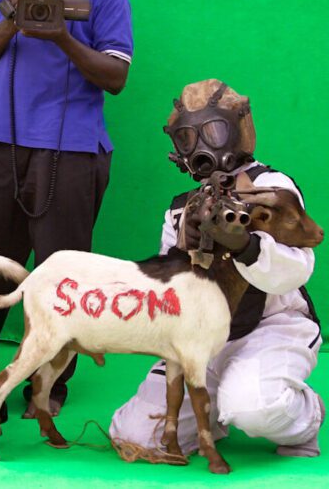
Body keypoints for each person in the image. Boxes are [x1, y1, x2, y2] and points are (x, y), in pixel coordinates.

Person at [0, 0, 133, 417]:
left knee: (61, 273)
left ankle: (49, 385)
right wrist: (16, 15)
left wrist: (61, 34)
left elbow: (116, 77)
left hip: (73, 152)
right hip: (3, 144)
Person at [109, 79, 323, 458]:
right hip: (203, 339)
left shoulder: (271, 187)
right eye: (187, 138)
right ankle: (214, 415)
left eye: (213, 131)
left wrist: (246, 245)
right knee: (136, 435)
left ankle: (304, 417)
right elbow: (167, 295)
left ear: (238, 128)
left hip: (269, 328)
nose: (201, 147)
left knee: (255, 407)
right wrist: (182, 249)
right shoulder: (180, 209)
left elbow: (296, 270)